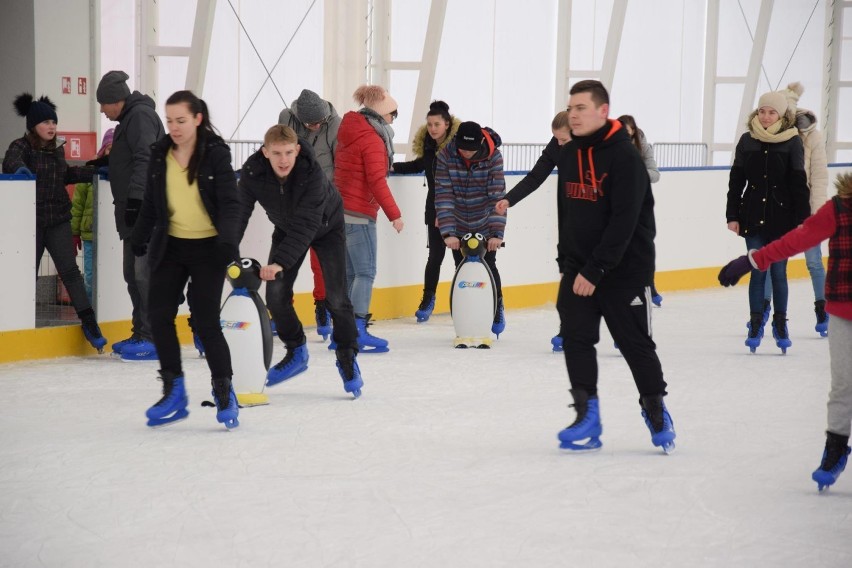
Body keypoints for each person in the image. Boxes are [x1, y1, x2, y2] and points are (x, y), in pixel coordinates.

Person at [516, 80, 674, 452]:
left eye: (581, 107)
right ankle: (588, 414)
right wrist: (568, 262)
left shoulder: (626, 158)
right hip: (580, 268)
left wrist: (596, 270)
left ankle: (655, 407)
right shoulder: (569, 154)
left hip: (624, 269)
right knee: (575, 338)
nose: (573, 114)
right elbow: (568, 212)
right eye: (571, 107)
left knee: (635, 344)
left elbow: (626, 221)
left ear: (603, 111)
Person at [718, 172, 852, 491]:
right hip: (845, 311)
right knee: (844, 385)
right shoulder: (840, 208)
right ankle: (835, 449)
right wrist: (753, 261)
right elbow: (798, 239)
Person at [130, 90, 241, 429]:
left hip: (209, 249)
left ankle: (224, 390)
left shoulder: (216, 156)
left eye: (181, 120)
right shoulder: (160, 154)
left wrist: (226, 241)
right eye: (169, 121)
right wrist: (139, 234)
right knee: (159, 315)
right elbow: (152, 201)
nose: (174, 128)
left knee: (205, 321)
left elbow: (231, 204)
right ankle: (174, 389)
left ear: (197, 119)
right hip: (171, 246)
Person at [237, 125, 363, 396]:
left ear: (296, 150)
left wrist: (280, 262)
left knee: (336, 298)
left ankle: (346, 356)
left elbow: (307, 223)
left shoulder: (311, 174)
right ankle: (296, 351)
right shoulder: (253, 174)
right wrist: (225, 250)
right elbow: (238, 214)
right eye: (277, 153)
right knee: (276, 295)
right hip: (286, 228)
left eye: (288, 153)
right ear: (265, 153)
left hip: (327, 227)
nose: (283, 160)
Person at [3, 93, 107, 352]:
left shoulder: (57, 148)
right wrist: (19, 171)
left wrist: (94, 170)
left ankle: (89, 322)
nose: (51, 126)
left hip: (58, 219)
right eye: (46, 122)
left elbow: (66, 174)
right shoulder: (21, 147)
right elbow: (11, 161)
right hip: (32, 223)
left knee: (70, 272)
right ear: (33, 125)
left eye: (53, 122)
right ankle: (15, 321)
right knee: (28, 273)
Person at [726, 88, 810, 353]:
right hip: (752, 216)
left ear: (781, 115)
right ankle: (754, 323)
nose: (765, 116)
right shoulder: (747, 140)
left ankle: (780, 323)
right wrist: (732, 215)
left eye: (771, 112)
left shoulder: (792, 141)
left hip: (782, 218)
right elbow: (736, 180)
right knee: (758, 271)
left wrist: (802, 220)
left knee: (778, 272)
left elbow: (798, 183)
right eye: (762, 111)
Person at [96, 70, 165, 361]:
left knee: (144, 273)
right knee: (132, 274)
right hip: (131, 213)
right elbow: (129, 158)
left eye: (103, 103)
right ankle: (141, 332)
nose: (101, 109)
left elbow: (146, 158)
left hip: (144, 212)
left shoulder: (139, 117)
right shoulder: (130, 119)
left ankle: (153, 337)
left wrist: (137, 201)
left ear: (116, 100)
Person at [334, 84, 404, 352]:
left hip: (341, 211)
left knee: (351, 274)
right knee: (365, 272)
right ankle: (358, 331)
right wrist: (394, 215)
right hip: (360, 213)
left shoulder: (350, 130)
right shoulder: (372, 139)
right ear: (382, 113)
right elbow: (376, 180)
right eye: (393, 114)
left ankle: (344, 332)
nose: (393, 120)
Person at [496, 111, 570, 350]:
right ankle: (567, 330)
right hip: (569, 222)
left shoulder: (598, 152)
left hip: (596, 223)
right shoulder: (558, 145)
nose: (559, 145)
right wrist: (509, 200)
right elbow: (535, 177)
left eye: (564, 140)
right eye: (555, 139)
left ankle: (625, 332)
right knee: (568, 276)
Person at [762, 82, 830, 337]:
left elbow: (819, 177)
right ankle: (765, 308)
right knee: (774, 261)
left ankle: (822, 307)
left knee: (813, 262)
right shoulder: (773, 135)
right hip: (780, 210)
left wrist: (816, 214)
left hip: (806, 210)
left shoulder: (811, 136)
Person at [279, 88, 342, 338]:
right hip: (292, 199)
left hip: (323, 200)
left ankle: (322, 306)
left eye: (319, 122)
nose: (316, 126)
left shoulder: (335, 125)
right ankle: (284, 310)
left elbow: (340, 163)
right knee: (287, 257)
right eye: (310, 123)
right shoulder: (287, 119)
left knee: (320, 261)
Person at [435, 120, 507, 336]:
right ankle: (466, 315)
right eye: (462, 149)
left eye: (471, 149)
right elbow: (444, 195)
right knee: (462, 268)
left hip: (484, 220)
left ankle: (497, 307)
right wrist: (448, 233)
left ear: (481, 144)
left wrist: (496, 234)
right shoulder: (446, 156)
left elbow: (497, 196)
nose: (466, 153)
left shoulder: (494, 158)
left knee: (489, 265)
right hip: (458, 223)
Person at [392, 100, 461, 322]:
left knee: (459, 256)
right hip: (434, 208)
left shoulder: (457, 148)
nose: (433, 128)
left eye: (437, 124)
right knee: (435, 256)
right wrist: (392, 166)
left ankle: (463, 299)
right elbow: (418, 165)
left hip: (456, 208)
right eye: (430, 124)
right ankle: (428, 299)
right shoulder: (429, 147)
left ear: (447, 124)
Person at [618, 114, 663, 306]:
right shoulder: (611, 147)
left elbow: (655, 174)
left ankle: (649, 286)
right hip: (619, 205)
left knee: (644, 245)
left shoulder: (643, 146)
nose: (626, 138)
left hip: (640, 203)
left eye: (629, 134)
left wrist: (636, 174)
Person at [71, 128, 114, 303]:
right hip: (90, 235)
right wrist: (74, 233)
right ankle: (91, 310)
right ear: (103, 149)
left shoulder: (124, 173)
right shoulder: (90, 172)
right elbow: (78, 206)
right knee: (90, 277)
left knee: (110, 276)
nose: (112, 152)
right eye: (110, 148)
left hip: (112, 236)